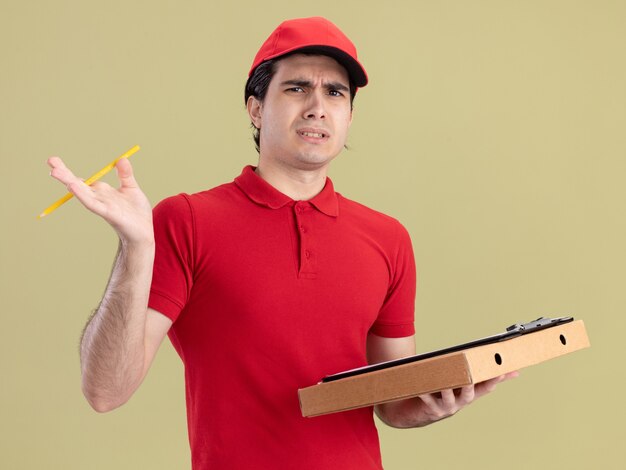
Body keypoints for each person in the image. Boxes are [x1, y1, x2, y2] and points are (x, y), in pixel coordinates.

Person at [47, 16, 516, 470]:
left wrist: (435, 404)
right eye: (296, 88)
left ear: (349, 115)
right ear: (255, 108)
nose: (317, 106)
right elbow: (106, 391)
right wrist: (136, 250)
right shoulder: (186, 221)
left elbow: (391, 402)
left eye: (335, 92)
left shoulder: (388, 238)